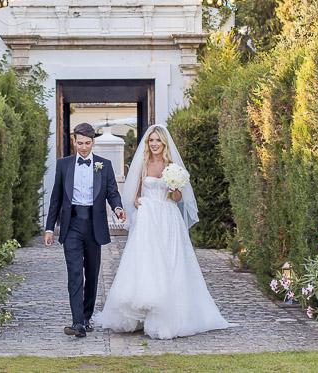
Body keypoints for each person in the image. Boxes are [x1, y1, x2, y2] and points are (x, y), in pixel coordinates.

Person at [92, 125, 230, 339]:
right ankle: (141, 313)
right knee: (147, 263)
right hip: (148, 219)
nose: (154, 144)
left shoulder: (172, 166)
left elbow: (177, 199)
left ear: (164, 143)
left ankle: (170, 313)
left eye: (158, 140)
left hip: (167, 217)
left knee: (171, 261)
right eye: (151, 141)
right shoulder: (143, 164)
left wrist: (174, 185)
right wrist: (140, 205)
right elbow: (135, 196)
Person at [44, 123, 126, 338]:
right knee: (74, 274)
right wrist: (49, 228)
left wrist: (117, 208)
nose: (83, 147)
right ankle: (77, 322)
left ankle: (87, 318)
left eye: (87, 143)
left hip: (94, 225)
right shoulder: (64, 165)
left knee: (92, 273)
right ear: (74, 141)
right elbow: (56, 199)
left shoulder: (104, 165)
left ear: (93, 142)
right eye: (79, 143)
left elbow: (112, 192)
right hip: (71, 225)